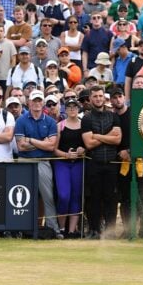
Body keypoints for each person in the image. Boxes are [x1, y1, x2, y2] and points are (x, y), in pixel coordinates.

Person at [15, 90, 61, 235]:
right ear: (29, 102)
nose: (36, 103)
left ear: (43, 103)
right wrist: (43, 143)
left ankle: (53, 229)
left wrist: (31, 140)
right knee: (23, 197)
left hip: (43, 161)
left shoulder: (50, 122)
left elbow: (51, 146)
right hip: (24, 161)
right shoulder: (21, 120)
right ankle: (21, 229)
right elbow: (21, 146)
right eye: (34, 100)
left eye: (39, 100)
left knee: (48, 196)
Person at [82, 85, 121, 238]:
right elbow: (89, 144)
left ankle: (110, 231)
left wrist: (97, 136)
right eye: (95, 96)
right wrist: (108, 136)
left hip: (111, 164)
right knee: (94, 198)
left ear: (104, 97)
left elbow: (117, 139)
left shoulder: (113, 116)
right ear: (90, 99)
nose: (98, 99)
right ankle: (94, 230)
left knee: (111, 198)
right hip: (94, 163)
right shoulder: (86, 118)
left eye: (100, 96)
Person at [53, 98, 85, 238]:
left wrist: (82, 150)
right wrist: (66, 155)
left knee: (76, 196)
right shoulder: (60, 126)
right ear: (65, 110)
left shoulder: (84, 125)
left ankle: (72, 231)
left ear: (79, 109)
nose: (72, 109)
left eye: (75, 106)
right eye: (69, 107)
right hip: (62, 163)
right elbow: (54, 149)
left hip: (78, 164)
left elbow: (87, 145)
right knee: (64, 195)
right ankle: (61, 228)